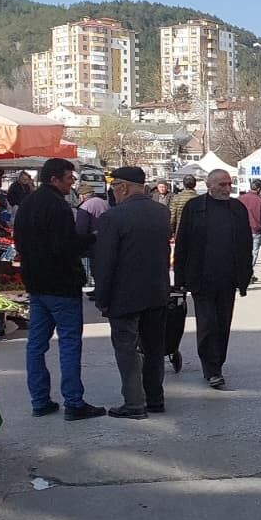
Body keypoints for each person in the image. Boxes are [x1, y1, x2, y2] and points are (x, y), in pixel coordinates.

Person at [14, 158, 106, 421]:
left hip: (35, 283)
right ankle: (74, 402)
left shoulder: (28, 203)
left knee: (36, 345)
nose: (72, 182)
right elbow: (65, 246)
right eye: (69, 178)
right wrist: (93, 238)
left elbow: (20, 240)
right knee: (68, 343)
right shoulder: (57, 206)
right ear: (54, 179)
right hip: (61, 285)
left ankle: (40, 400)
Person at [92, 166, 172, 420]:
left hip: (124, 296)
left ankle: (134, 403)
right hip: (157, 292)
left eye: (114, 187)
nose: (113, 192)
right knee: (154, 349)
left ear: (123, 187)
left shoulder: (113, 218)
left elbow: (104, 262)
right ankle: (155, 398)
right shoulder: (161, 212)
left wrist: (102, 297)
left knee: (126, 349)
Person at [173, 168, 253, 389]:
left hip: (228, 279)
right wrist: (179, 278)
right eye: (222, 185)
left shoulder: (237, 208)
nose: (227, 189)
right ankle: (212, 369)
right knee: (207, 324)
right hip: (201, 278)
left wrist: (245, 276)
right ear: (209, 185)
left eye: (229, 184)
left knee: (223, 324)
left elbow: (245, 245)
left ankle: (218, 362)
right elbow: (182, 244)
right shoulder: (195, 207)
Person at [238, 180, 261, 267]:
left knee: (241, 252)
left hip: (241, 230)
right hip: (255, 230)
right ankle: (248, 273)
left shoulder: (240, 198)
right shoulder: (260, 200)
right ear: (259, 189)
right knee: (253, 253)